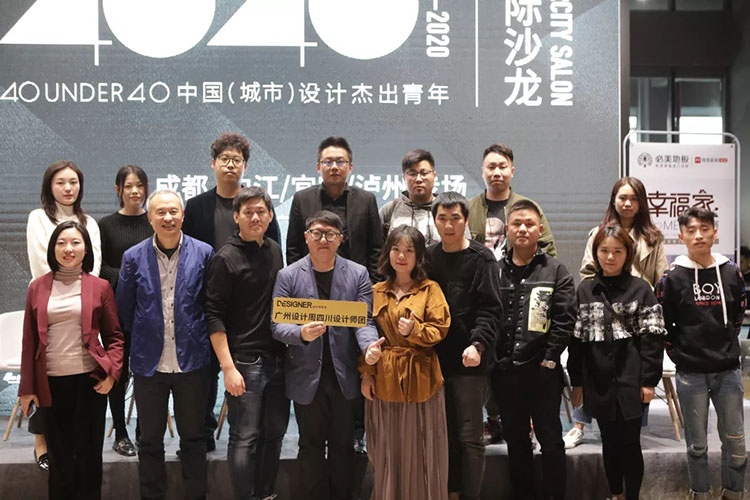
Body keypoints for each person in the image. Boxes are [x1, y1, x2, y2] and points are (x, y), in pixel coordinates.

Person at [272, 210, 382, 500]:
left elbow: (363, 321)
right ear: (306, 237)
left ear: (340, 239)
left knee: (343, 446)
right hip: (306, 374)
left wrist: (370, 347)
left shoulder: (358, 273)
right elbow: (277, 325)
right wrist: (300, 334)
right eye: (317, 233)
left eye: (330, 234)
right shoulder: (288, 275)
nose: (323, 239)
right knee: (309, 446)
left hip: (344, 374)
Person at [183, 132, 281, 452]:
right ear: (213, 164)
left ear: (245, 166)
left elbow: (274, 252)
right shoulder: (196, 206)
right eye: (224, 159)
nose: (230, 165)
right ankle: (202, 433)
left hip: (251, 313)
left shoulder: (258, 206)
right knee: (205, 375)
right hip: (207, 304)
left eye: (236, 160)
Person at [116, 190, 214, 500]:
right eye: (160, 212)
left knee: (193, 439)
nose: (168, 217)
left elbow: (211, 306)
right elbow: (124, 310)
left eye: (173, 211)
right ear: (150, 218)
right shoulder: (133, 257)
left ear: (183, 215)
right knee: (149, 441)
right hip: (150, 364)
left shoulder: (205, 253)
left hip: (192, 362)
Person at [19, 220, 124, 500]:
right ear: (52, 248)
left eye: (76, 243)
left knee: (89, 458)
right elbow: (29, 341)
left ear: (86, 249)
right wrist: (27, 388)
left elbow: (115, 336)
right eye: (61, 243)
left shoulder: (100, 286)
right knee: (60, 459)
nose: (68, 249)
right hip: (50, 384)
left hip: (89, 382)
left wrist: (112, 374)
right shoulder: (37, 287)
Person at [565, 176, 668, 449]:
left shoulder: (653, 237)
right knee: (594, 368)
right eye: (622, 197)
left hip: (637, 314)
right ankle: (579, 425)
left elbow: (661, 279)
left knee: (630, 425)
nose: (627, 203)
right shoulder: (597, 233)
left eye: (634, 198)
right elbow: (588, 273)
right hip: (601, 312)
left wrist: (635, 292)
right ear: (613, 200)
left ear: (641, 203)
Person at [568, 225, 666, 500]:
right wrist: (577, 381)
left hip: (631, 380)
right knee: (608, 442)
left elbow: (653, 339)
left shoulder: (641, 289)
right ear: (596, 253)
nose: (610, 257)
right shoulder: (585, 290)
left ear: (627, 254)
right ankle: (616, 494)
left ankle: (632, 496)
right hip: (598, 381)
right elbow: (576, 342)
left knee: (630, 444)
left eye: (617, 251)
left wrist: (649, 381)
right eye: (604, 251)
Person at [656, 207, 747, 500]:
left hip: (728, 370)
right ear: (681, 235)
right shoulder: (670, 278)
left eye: (705, 229)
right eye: (691, 230)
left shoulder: (731, 272)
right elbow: (663, 322)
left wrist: (727, 345)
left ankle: (733, 493)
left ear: (715, 233)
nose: (698, 235)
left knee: (736, 442)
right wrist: (679, 355)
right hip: (690, 372)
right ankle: (701, 493)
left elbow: (738, 314)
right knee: (696, 445)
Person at [204, 187, 289, 500]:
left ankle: (266, 494)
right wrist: (228, 367)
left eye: (261, 211)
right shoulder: (225, 258)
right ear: (236, 216)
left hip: (278, 359)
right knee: (244, 437)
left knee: (274, 434)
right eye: (248, 212)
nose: (255, 217)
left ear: (270, 216)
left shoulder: (274, 250)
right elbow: (213, 316)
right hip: (244, 362)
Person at [491, 200, 576, 500]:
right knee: (516, 440)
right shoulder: (495, 270)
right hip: (506, 372)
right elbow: (488, 316)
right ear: (507, 229)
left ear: (540, 229)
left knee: (550, 439)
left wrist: (550, 359)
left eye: (529, 224)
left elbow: (565, 319)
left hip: (543, 372)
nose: (523, 229)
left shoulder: (555, 270)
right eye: (517, 224)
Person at [360, 225, 451, 500]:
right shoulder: (374, 290)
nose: (401, 256)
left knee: (423, 449)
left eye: (409, 250)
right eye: (396, 249)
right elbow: (364, 333)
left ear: (419, 256)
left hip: (422, 380)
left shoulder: (430, 289)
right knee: (387, 449)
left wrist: (415, 331)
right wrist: (367, 373)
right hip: (384, 379)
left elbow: (440, 329)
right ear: (387, 253)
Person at [25, 160, 103, 471]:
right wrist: (59, 293)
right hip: (47, 304)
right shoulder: (37, 218)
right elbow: (39, 263)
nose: (68, 188)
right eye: (60, 182)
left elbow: (94, 264)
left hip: (83, 307)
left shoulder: (89, 222)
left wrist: (81, 296)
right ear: (49, 186)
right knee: (43, 371)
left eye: (73, 182)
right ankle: (41, 440)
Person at [426, 192, 502, 500]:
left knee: (470, 438)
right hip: (435, 361)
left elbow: (491, 309)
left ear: (466, 220)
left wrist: (478, 345)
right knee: (444, 436)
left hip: (470, 362)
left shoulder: (483, 258)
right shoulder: (428, 257)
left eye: (455, 218)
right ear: (434, 221)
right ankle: (451, 493)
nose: (448, 225)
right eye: (442, 219)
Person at [98, 165, 153, 457]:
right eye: (129, 186)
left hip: (149, 311)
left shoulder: (154, 221)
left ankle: (144, 430)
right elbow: (100, 267)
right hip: (117, 311)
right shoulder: (106, 224)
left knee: (146, 373)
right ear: (118, 189)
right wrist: (129, 276)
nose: (135, 191)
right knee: (118, 372)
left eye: (140, 185)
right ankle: (120, 432)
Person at [286, 136, 383, 280]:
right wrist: (299, 282)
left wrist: (371, 285)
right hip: (311, 282)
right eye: (328, 162)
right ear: (318, 167)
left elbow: (376, 249)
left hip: (355, 283)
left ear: (350, 167)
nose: (334, 167)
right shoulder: (302, 199)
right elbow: (293, 248)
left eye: (340, 161)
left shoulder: (366, 200)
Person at [468, 143, 556, 259]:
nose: (497, 173)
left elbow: (548, 250)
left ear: (512, 171)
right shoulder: (468, 208)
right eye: (491, 167)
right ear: (482, 171)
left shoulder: (530, 207)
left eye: (502, 167)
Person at [379, 149, 443, 245]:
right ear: (404, 177)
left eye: (424, 173)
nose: (418, 179)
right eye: (412, 174)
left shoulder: (445, 210)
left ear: (434, 175)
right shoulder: (389, 210)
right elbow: (377, 249)